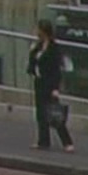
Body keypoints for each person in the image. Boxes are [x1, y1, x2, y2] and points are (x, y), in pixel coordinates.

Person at [26, 19, 74, 153]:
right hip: (39, 82)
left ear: (44, 31)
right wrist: (32, 51)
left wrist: (55, 88)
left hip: (49, 83)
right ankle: (43, 141)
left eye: (38, 29)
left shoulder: (53, 48)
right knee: (40, 113)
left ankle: (67, 142)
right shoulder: (38, 46)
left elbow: (56, 70)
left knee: (54, 113)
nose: (36, 32)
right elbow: (32, 63)